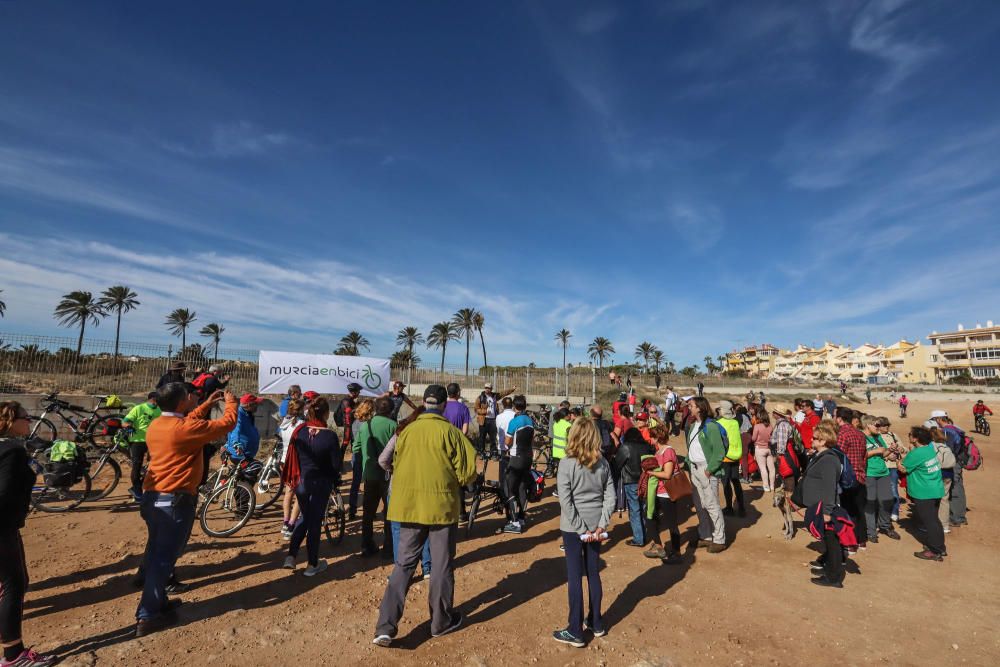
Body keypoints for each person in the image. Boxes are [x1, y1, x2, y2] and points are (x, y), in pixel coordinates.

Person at [373, 385, 477, 647]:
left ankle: (385, 627)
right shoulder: (451, 433)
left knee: (404, 565)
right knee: (441, 566)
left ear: (424, 403)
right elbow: (467, 472)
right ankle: (440, 622)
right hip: (441, 509)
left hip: (407, 507)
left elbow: (388, 461)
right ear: (443, 406)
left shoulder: (405, 431)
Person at [136, 386, 237, 637]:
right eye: (190, 397)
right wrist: (231, 401)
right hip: (174, 501)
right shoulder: (185, 430)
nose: (194, 399)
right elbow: (227, 423)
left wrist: (205, 405)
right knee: (164, 558)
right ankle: (148, 615)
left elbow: (188, 420)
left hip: (153, 497)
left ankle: (158, 601)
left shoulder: (159, 424)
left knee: (157, 551)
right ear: (182, 402)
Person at [0, 402, 58, 667]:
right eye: (26, 417)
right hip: (2, 528)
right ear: (11, 421)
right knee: (14, 584)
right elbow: (5, 493)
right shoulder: (12, 451)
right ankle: (14, 655)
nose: (29, 421)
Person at [552, 417, 616, 648]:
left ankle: (575, 630)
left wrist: (581, 528)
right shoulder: (603, 464)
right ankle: (596, 622)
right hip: (596, 525)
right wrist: (601, 524)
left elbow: (565, 501)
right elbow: (610, 497)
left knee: (575, 576)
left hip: (573, 528)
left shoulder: (567, 463)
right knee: (593, 572)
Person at [282, 397, 340, 575]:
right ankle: (312, 565)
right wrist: (334, 480)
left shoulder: (299, 432)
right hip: (320, 484)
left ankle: (291, 556)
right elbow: (336, 466)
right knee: (313, 522)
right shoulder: (329, 436)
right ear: (325, 413)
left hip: (301, 483)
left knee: (305, 518)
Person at [378, 408, 432, 580]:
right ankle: (427, 567)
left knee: (397, 529)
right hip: (423, 488)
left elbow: (382, 459)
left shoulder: (401, 434)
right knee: (424, 527)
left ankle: (400, 570)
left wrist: (393, 469)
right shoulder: (429, 436)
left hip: (399, 488)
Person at [801, 421, 847, 588]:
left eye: (814, 438)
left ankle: (834, 578)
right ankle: (829, 569)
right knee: (829, 541)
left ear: (823, 441)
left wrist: (827, 511)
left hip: (825, 506)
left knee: (832, 541)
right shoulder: (822, 456)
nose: (811, 440)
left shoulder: (828, 460)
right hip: (819, 504)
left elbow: (829, 488)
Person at [354, 397, 396, 558]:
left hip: (370, 473)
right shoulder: (394, 426)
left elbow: (356, 447)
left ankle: (366, 544)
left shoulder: (365, 426)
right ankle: (389, 546)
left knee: (368, 511)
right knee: (389, 511)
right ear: (391, 410)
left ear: (376, 409)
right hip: (388, 475)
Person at [684, 397, 726, 552]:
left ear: (700, 408)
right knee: (700, 505)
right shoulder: (693, 425)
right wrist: (688, 463)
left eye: (691, 406)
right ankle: (706, 535)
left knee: (711, 504)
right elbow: (692, 447)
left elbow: (719, 451)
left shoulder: (711, 427)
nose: (689, 408)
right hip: (694, 469)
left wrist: (710, 469)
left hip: (706, 470)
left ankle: (719, 538)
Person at [900, 427, 946, 561]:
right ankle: (939, 547)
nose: (909, 436)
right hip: (935, 489)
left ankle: (934, 550)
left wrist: (898, 461)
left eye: (910, 435)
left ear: (915, 439)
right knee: (934, 520)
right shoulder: (928, 449)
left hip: (924, 492)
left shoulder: (917, 453)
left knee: (930, 521)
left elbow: (903, 468)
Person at [643, 424, 683, 564]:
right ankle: (659, 546)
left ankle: (677, 553)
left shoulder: (668, 452)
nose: (650, 439)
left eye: (652, 437)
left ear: (657, 437)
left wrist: (651, 473)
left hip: (666, 493)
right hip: (658, 492)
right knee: (650, 517)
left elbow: (667, 474)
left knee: (671, 523)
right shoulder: (659, 451)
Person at [861, 414, 899, 543]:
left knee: (887, 501)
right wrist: (875, 451)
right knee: (870, 502)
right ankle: (870, 531)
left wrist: (889, 450)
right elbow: (858, 455)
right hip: (869, 473)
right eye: (876, 425)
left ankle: (885, 526)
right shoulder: (861, 437)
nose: (879, 427)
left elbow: (884, 453)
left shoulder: (877, 437)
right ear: (868, 425)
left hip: (883, 472)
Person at [502, 395, 536, 534]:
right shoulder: (530, 420)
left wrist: (506, 442)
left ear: (515, 407)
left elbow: (508, 442)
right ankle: (521, 517)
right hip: (528, 457)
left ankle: (515, 523)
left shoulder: (514, 421)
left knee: (510, 488)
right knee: (523, 487)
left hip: (516, 458)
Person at [834, 408, 867, 551]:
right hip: (860, 475)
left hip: (847, 478)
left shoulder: (842, 434)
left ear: (839, 418)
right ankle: (861, 540)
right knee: (859, 509)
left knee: (847, 510)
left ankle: (851, 543)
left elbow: (838, 457)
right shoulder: (860, 434)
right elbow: (864, 456)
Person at [614, 427, 653, 547]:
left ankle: (639, 538)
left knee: (635, 510)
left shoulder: (625, 447)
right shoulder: (647, 446)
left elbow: (618, 464)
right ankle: (646, 534)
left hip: (631, 482)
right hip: (646, 481)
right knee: (645, 508)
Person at [931, 411, 968, 528]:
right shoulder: (956, 428)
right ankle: (959, 516)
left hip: (953, 462)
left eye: (934, 419)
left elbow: (949, 449)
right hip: (959, 460)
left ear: (938, 419)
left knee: (955, 488)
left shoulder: (948, 431)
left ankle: (957, 518)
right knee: (958, 487)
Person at [122, 392, 162, 501]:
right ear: (153, 399)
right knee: (137, 464)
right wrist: (129, 426)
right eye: (158, 400)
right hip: (137, 440)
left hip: (153, 441)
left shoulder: (159, 411)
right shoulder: (139, 408)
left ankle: (139, 485)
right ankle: (137, 489)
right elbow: (125, 422)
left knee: (156, 465)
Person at [278, 398, 305, 539]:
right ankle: (292, 525)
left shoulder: (283, 423)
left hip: (285, 461)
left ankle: (285, 522)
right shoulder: (301, 425)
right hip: (297, 462)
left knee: (288, 492)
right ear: (301, 410)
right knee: (300, 495)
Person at [337, 382, 363, 520]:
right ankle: (339, 467)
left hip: (351, 427)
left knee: (349, 446)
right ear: (354, 392)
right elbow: (348, 416)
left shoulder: (350, 400)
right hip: (349, 428)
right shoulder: (347, 401)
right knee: (345, 445)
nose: (358, 393)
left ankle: (340, 465)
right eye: (358, 391)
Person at [715, 401, 745, 518]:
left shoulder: (719, 423)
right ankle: (741, 508)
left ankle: (729, 507)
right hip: (736, 456)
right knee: (736, 482)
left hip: (726, 457)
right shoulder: (736, 422)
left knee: (726, 483)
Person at [876, 417, 907, 522]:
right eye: (884, 425)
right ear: (878, 426)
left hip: (893, 467)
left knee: (894, 490)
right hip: (881, 466)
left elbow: (904, 449)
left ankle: (894, 512)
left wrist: (900, 449)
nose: (887, 427)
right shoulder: (875, 436)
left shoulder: (893, 435)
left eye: (888, 425)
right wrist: (887, 456)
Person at [474, 383, 516, 460]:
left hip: (493, 420)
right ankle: (482, 453)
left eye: (489, 388)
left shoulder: (494, 396)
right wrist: (485, 411)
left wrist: (512, 389)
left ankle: (493, 453)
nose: (487, 389)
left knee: (493, 438)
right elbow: (476, 409)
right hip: (483, 420)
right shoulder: (480, 398)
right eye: (486, 387)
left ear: (491, 389)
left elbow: (504, 393)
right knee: (482, 438)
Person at [225, 394, 263, 463]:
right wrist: (237, 445)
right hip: (240, 454)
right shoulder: (239, 415)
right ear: (248, 405)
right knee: (255, 468)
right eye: (255, 404)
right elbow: (235, 430)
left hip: (246, 454)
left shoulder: (247, 414)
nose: (257, 405)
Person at [751, 408, 775, 492]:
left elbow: (753, 438)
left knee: (763, 468)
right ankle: (772, 486)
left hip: (759, 449)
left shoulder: (757, 426)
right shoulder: (771, 426)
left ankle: (766, 487)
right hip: (769, 448)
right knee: (771, 468)